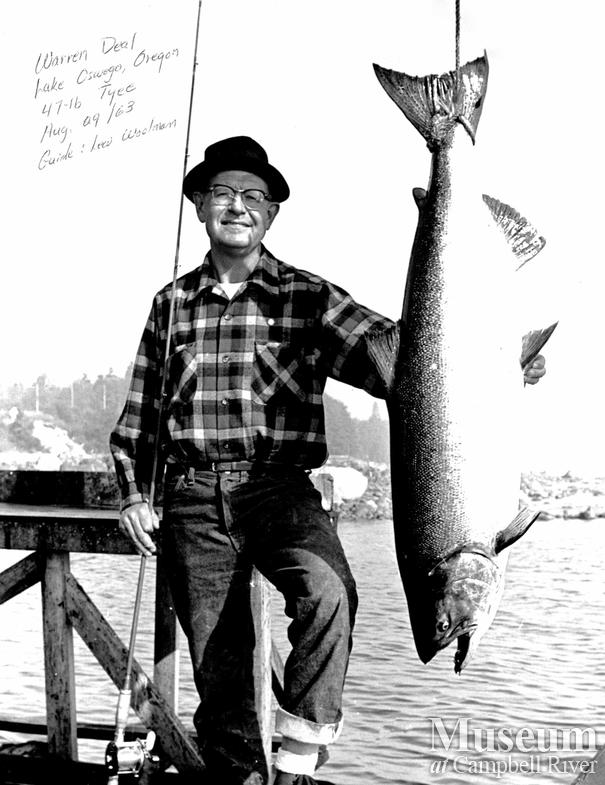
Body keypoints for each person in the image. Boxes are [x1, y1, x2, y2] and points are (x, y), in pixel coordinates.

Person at [110, 135, 546, 785]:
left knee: (328, 593)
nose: (238, 205)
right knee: (219, 663)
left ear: (271, 214)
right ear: (201, 205)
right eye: (223, 193)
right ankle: (239, 777)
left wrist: (494, 362)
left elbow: (394, 359)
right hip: (193, 493)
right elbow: (140, 415)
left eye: (253, 196)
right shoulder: (170, 306)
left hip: (279, 488)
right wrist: (134, 492)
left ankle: (296, 761)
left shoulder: (307, 296)